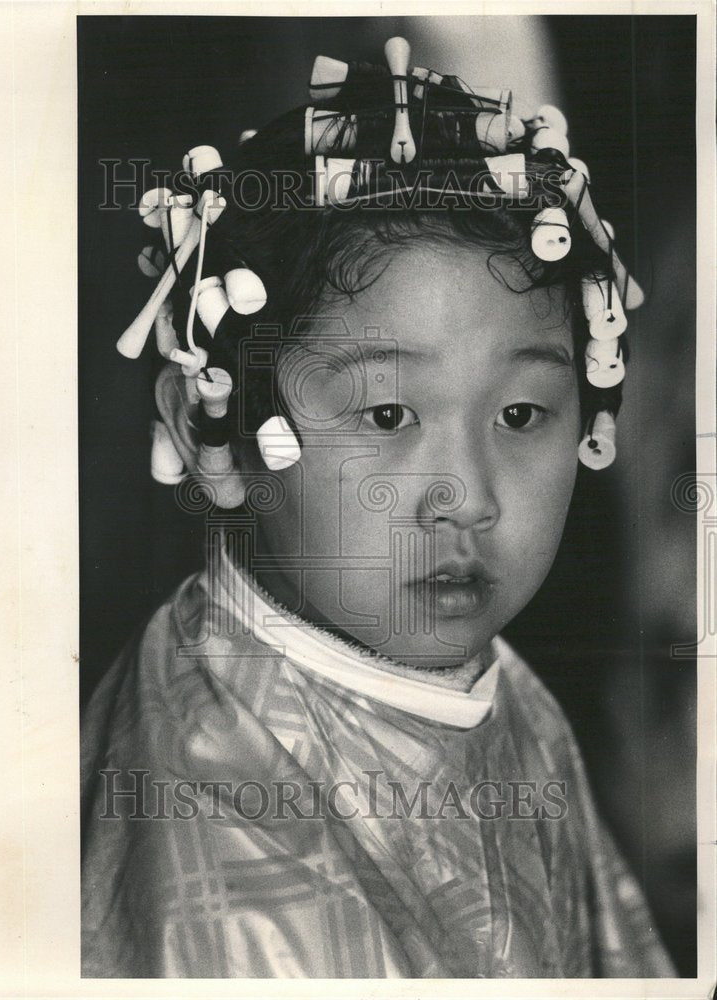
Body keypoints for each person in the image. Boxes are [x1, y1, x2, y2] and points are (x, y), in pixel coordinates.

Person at [81, 37, 675, 977]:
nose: (467, 499)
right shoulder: (211, 839)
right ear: (209, 435)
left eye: (521, 413)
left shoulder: (507, 694)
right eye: (388, 413)